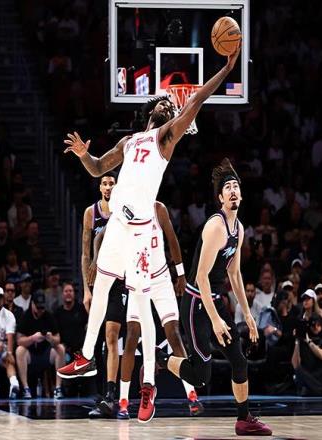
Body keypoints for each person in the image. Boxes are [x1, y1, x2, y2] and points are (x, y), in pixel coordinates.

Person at [59, 44, 241, 424]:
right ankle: (87, 357)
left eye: (169, 106)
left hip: (142, 236)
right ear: (149, 111)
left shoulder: (165, 138)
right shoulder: (129, 142)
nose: (165, 105)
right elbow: (98, 168)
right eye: (161, 103)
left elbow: (197, 99)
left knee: (142, 318)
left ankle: (149, 386)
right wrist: (82, 155)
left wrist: (227, 69)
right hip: (118, 226)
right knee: (101, 285)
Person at [155, 158, 272, 435]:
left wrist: (248, 315)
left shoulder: (238, 229)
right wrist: (215, 319)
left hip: (215, 300)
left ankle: (243, 419)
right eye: (227, 187)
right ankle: (159, 359)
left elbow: (235, 273)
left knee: (239, 360)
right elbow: (201, 277)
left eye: (235, 186)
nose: (232, 191)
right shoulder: (215, 226)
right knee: (201, 376)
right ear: (220, 197)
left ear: (241, 194)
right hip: (196, 303)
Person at [118, 201, 203, 419]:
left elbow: (172, 239)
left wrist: (181, 274)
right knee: (131, 337)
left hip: (161, 279)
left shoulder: (158, 209)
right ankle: (123, 401)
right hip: (137, 280)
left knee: (174, 334)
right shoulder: (125, 212)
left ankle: (192, 395)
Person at [79, 171, 129, 417]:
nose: (108, 187)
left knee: (112, 336)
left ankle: (112, 395)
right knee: (97, 342)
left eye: (112, 183)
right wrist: (86, 290)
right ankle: (101, 396)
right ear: (100, 187)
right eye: (105, 183)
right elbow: (85, 254)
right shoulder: (91, 212)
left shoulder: (124, 212)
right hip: (98, 282)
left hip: (120, 281)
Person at [16, 290, 65, 399]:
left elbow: (58, 338)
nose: (40, 311)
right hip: (31, 354)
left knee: (60, 348)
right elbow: (19, 340)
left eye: (42, 308)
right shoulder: (26, 316)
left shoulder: (49, 316)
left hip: (46, 353)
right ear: (32, 304)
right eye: (38, 308)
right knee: (19, 350)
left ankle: (58, 387)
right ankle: (26, 388)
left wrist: (51, 338)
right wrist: (32, 338)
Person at [291, 314, 322, 396]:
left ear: (321, 326)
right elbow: (295, 364)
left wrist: (309, 342)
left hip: (320, 373)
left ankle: (309, 389)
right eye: (313, 325)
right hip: (307, 373)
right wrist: (297, 341)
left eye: (318, 325)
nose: (315, 327)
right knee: (298, 371)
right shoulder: (302, 342)